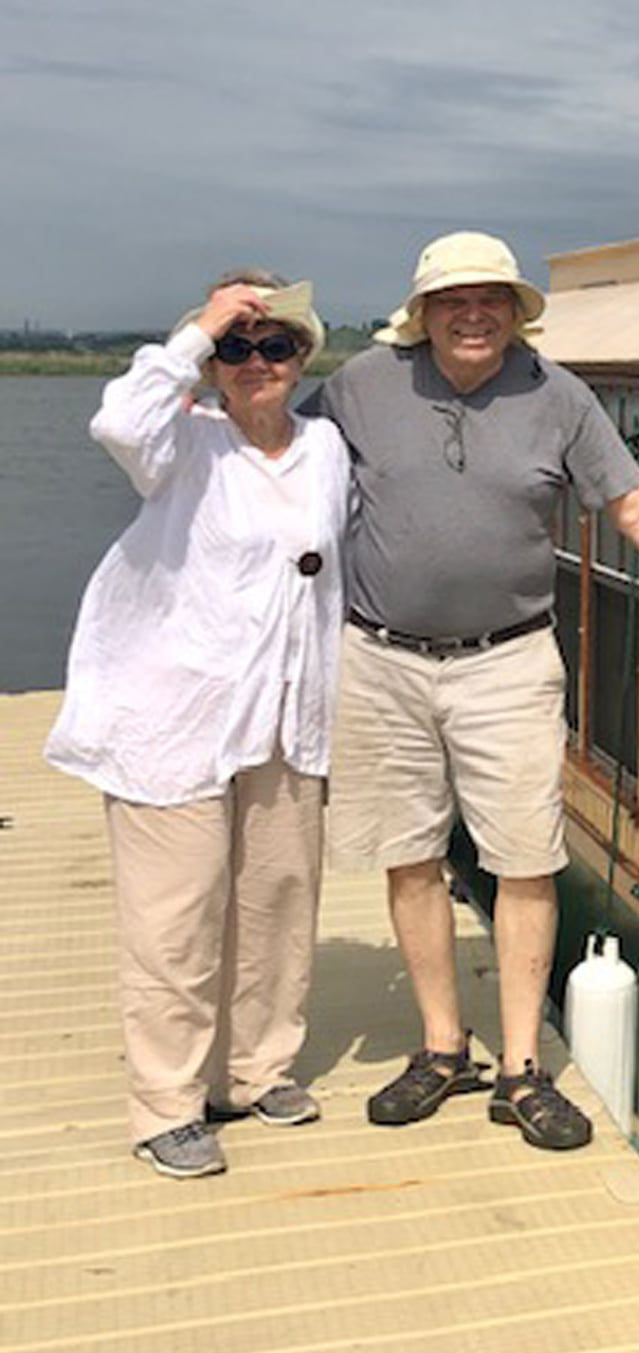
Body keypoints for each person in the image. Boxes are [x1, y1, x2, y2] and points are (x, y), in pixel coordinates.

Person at [308, 232, 639, 1152]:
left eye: (491, 298)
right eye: (454, 301)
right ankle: (442, 1047)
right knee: (408, 857)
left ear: (514, 310)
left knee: (525, 857)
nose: (474, 314)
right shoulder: (360, 386)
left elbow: (638, 508)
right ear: (424, 314)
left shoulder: (559, 396)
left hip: (508, 661)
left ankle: (522, 1068)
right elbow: (277, 468)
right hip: (380, 660)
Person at [46, 273, 349, 1178]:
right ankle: (167, 1104)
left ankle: (254, 1072)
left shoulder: (327, 447)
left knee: (276, 905)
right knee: (174, 921)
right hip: (173, 720)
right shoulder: (179, 442)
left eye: (275, 345)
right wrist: (196, 329)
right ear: (211, 364)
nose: (257, 363)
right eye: (236, 348)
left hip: (286, 718)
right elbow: (117, 422)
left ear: (303, 356)